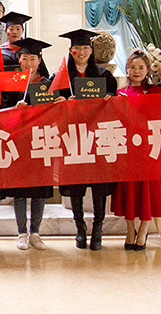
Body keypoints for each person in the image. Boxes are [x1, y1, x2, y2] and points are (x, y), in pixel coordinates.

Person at [55, 29, 118, 250]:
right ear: (70, 51)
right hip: (72, 138)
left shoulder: (104, 75)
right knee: (76, 184)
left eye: (85, 48)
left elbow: (116, 104)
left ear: (91, 51)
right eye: (77, 48)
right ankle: (80, 229)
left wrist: (111, 99)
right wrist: (62, 102)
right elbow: (50, 104)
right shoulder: (61, 77)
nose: (81, 52)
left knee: (99, 184)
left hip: (98, 138)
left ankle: (98, 229)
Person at [111, 49, 161, 251]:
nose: (136, 71)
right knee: (129, 190)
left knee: (148, 190)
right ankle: (130, 230)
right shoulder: (119, 94)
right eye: (133, 67)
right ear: (127, 69)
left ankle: (143, 230)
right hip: (127, 151)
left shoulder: (154, 91)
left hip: (150, 150)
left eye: (141, 67)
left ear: (148, 70)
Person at [1, 38, 55, 251]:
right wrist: (15, 108)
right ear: (19, 60)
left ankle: (35, 233)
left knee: (39, 190)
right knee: (20, 190)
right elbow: (1, 110)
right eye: (25, 58)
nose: (29, 62)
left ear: (39, 60)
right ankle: (21, 232)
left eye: (33, 58)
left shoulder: (47, 83)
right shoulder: (11, 82)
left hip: (41, 140)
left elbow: (54, 111)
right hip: (19, 141)